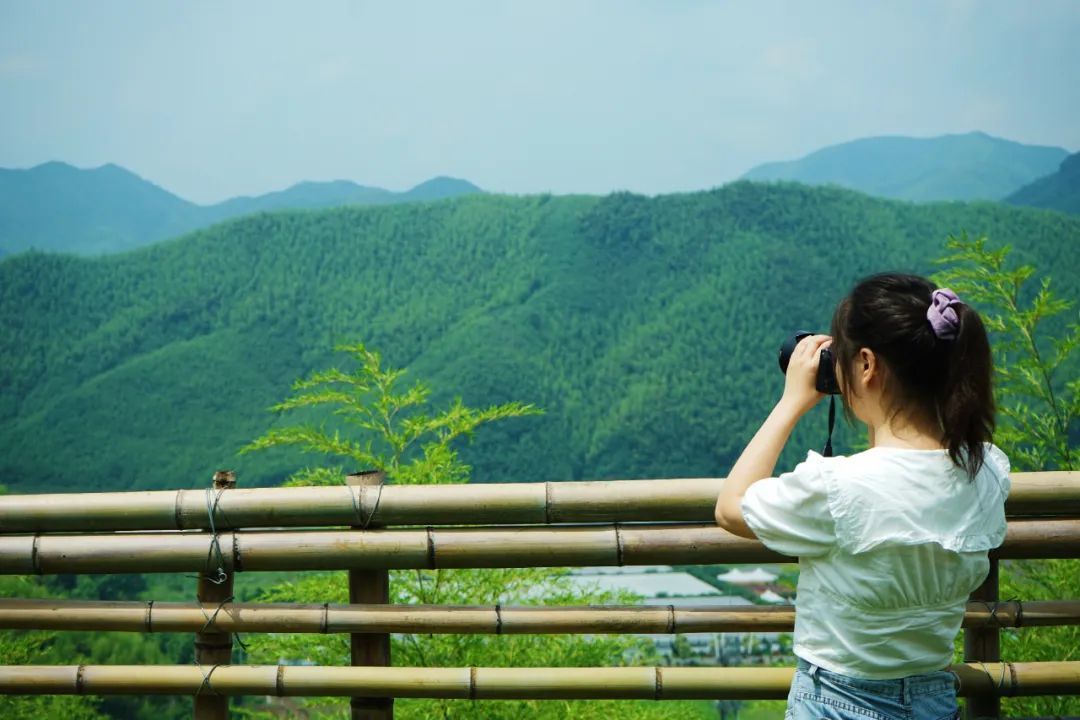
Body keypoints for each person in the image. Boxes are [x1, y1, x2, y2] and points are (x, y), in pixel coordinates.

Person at [714, 273, 1009, 720]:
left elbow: (731, 507)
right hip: (935, 700)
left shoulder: (838, 488)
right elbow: (908, 479)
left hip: (836, 702)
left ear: (867, 364)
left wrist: (791, 401)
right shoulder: (987, 469)